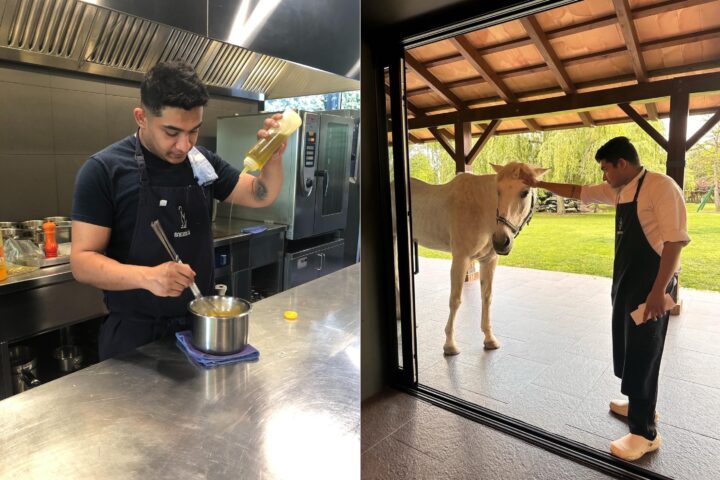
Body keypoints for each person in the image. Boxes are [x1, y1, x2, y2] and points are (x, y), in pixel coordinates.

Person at [70, 60, 286, 360]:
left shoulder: (201, 162)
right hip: (135, 341)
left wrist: (273, 158)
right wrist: (148, 277)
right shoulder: (103, 170)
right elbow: (82, 262)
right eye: (172, 132)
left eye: (194, 131)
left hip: (200, 331)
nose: (184, 145)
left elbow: (260, 194)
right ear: (141, 117)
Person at [521, 136, 690, 461]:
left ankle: (645, 433)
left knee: (644, 355)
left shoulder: (661, 187)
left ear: (622, 164)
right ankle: (641, 405)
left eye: (605, 169)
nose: (603, 177)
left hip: (651, 290)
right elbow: (577, 191)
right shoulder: (621, 189)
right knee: (631, 350)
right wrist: (538, 182)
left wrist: (658, 292)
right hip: (628, 286)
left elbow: (674, 243)